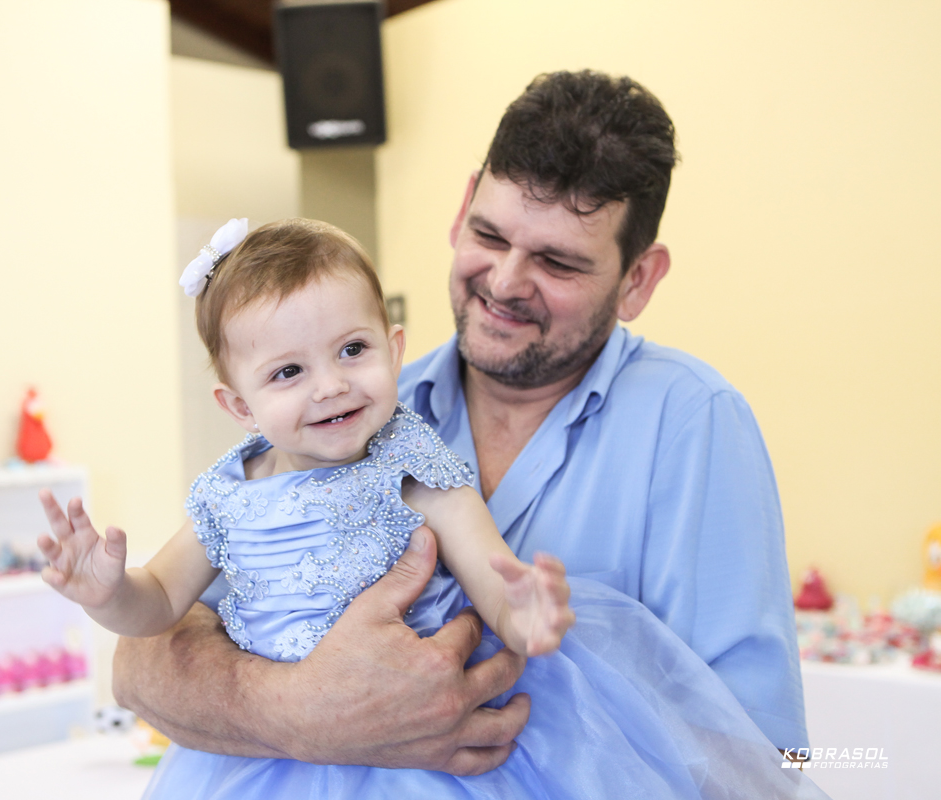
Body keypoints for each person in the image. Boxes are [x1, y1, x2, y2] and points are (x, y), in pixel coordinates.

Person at [111, 70, 808, 774]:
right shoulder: (351, 413)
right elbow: (143, 660)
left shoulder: (693, 426)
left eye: (558, 262)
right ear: (461, 209)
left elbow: (761, 752)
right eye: (489, 234)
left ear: (638, 280)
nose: (505, 282)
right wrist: (299, 710)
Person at [41, 217, 825, 798]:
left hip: (429, 757)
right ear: (237, 405)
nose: (331, 385)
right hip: (257, 763)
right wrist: (108, 591)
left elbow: (489, 566)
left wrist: (526, 614)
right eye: (287, 372)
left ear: (392, 343)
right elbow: (158, 607)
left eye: (352, 351)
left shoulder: (413, 460)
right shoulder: (225, 495)